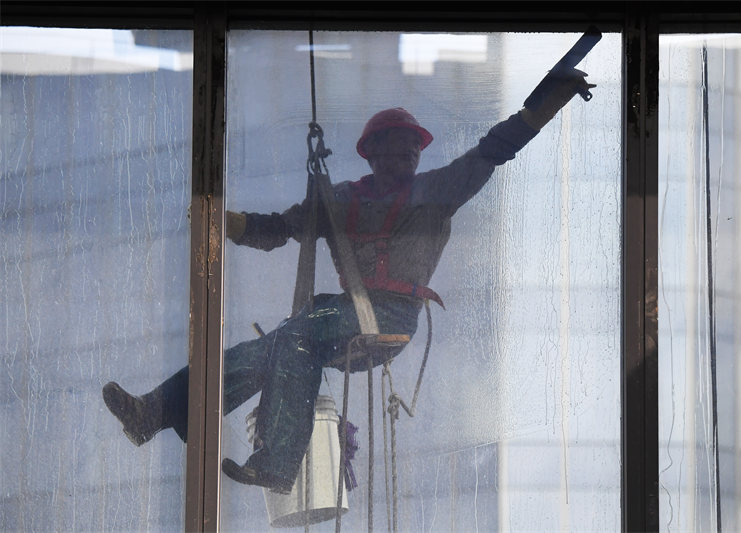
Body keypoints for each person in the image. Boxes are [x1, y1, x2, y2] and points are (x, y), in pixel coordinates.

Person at [102, 66, 595, 494]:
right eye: (398, 147)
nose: (408, 156)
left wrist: (549, 101)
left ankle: (266, 460)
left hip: (389, 316)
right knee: (268, 353)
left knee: (292, 338)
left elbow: (493, 150)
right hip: (338, 316)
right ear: (372, 154)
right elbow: (282, 228)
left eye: (413, 148)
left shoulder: (435, 192)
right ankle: (160, 416)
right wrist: (226, 225)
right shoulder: (341, 200)